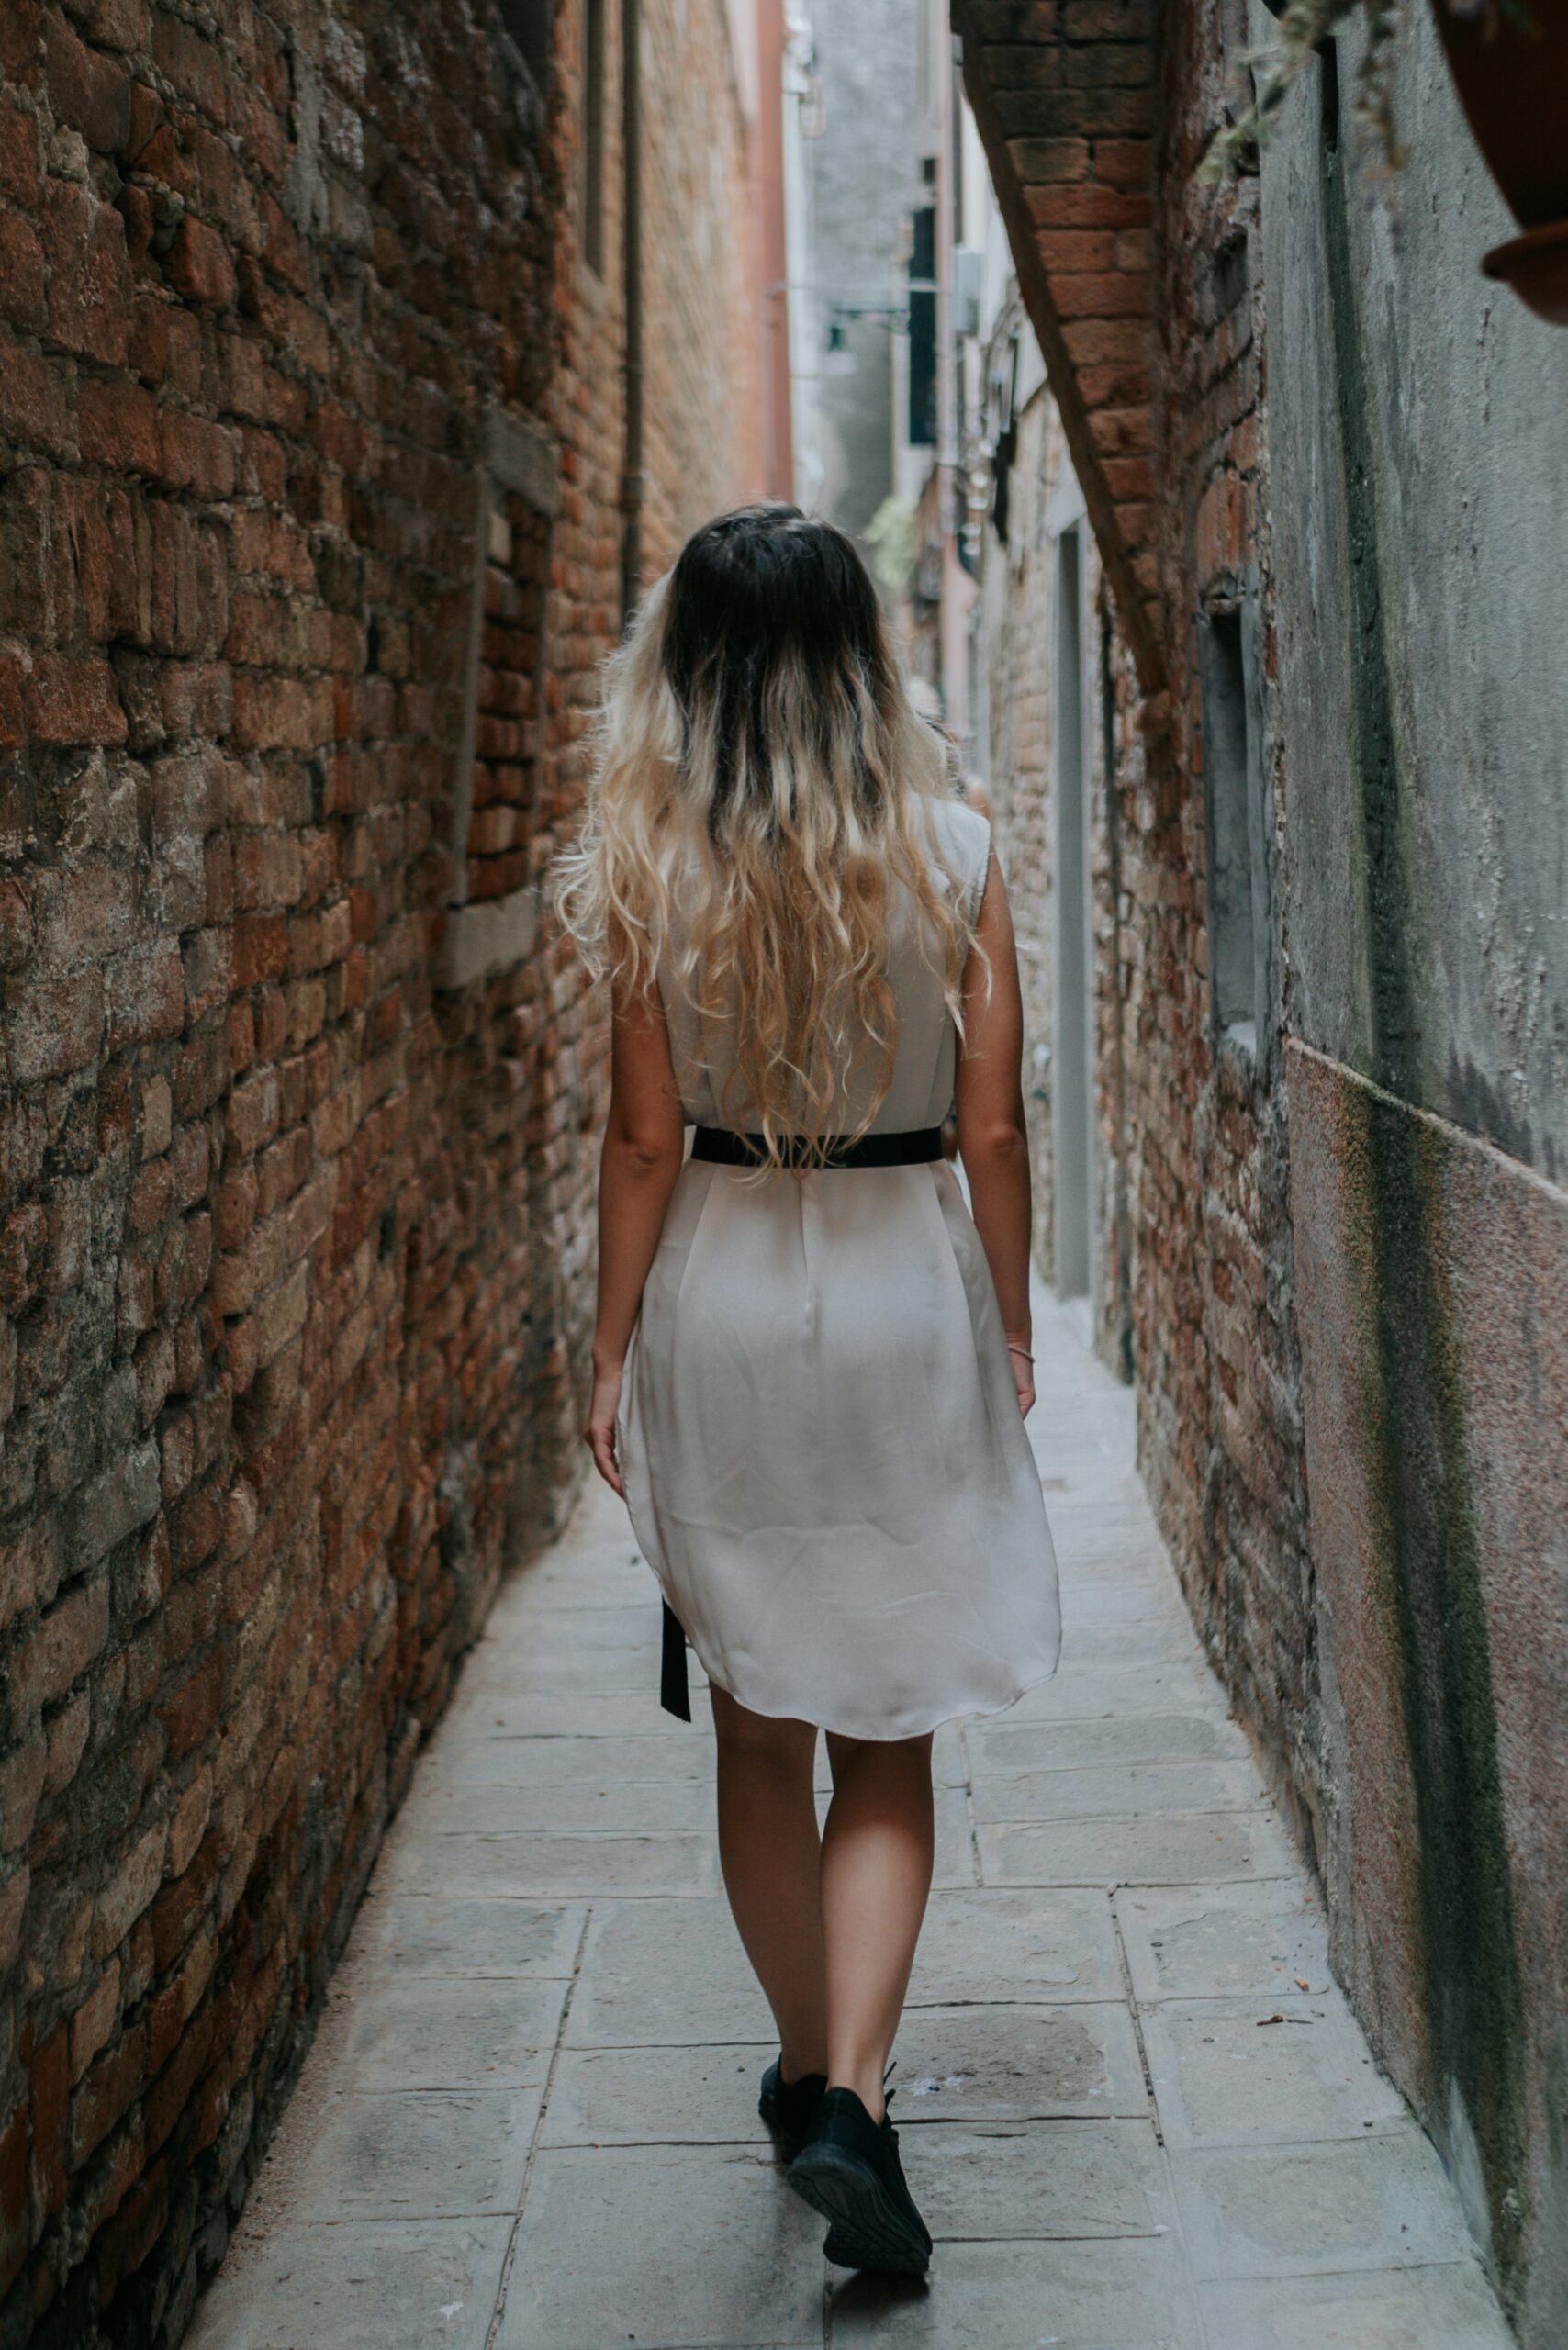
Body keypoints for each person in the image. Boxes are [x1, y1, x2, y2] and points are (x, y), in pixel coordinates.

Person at [556, 503, 1060, 2277]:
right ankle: (853, 2090)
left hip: (724, 1297)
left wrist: (609, 1346)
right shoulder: (958, 848)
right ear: (860, 657)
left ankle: (800, 2075)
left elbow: (641, 1141)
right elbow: (994, 1131)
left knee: (759, 1723)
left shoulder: (651, 861)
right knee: (888, 1730)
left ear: (689, 668)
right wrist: (1011, 1321)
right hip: (902, 1289)